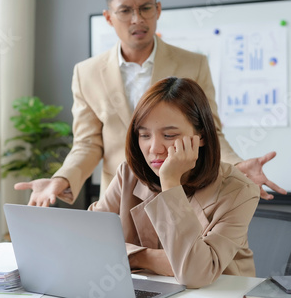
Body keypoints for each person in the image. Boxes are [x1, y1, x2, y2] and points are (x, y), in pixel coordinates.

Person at [15, 0, 286, 206]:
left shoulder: (194, 65)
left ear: (157, 9)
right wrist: (61, 178)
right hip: (119, 200)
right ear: (109, 17)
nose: (137, 19)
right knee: (122, 262)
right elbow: (88, 143)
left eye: (145, 8)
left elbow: (210, 130)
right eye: (125, 11)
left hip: (182, 192)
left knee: (178, 261)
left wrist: (237, 166)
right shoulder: (86, 73)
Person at [89, 77, 260, 288]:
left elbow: (195, 274)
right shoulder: (129, 174)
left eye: (169, 135)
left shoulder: (239, 191)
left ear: (202, 137)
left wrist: (170, 182)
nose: (154, 148)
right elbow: (89, 242)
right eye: (144, 135)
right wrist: (146, 258)